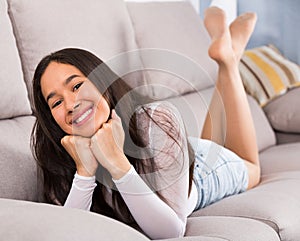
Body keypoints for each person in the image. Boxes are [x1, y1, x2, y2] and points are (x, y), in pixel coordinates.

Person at [31, 7, 260, 239]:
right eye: (56, 102)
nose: (70, 104)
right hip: (177, 156)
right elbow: (67, 231)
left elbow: (171, 231)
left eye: (77, 86)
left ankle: (229, 61)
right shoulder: (56, 152)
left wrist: (117, 164)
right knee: (211, 140)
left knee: (252, 167)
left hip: (199, 171)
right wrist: (84, 172)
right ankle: (228, 54)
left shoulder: (155, 120)